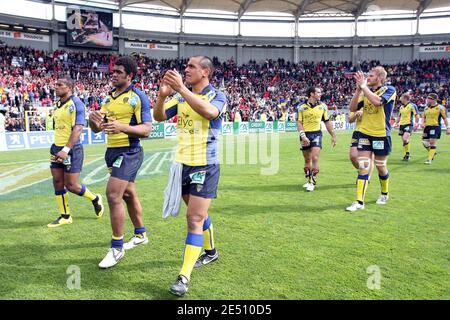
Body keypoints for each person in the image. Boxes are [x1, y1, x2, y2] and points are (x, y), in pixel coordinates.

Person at [153, 55, 226, 297]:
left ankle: (183, 277)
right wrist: (163, 95)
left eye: (191, 66)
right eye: (186, 66)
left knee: (193, 218)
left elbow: (209, 112)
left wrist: (181, 89)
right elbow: (159, 117)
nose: (186, 69)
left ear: (205, 72)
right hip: (182, 165)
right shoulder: (179, 96)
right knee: (199, 214)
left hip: (205, 165)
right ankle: (211, 251)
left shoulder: (216, 95)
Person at [89, 56, 152, 268]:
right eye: (112, 71)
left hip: (130, 151)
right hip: (112, 151)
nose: (113, 74)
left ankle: (117, 248)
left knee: (113, 194)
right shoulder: (108, 98)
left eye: (118, 72)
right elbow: (100, 128)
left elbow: (146, 129)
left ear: (130, 75)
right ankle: (141, 234)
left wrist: (123, 127)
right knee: (128, 193)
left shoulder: (138, 97)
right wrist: (93, 121)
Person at [47, 76, 104, 228]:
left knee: (71, 185)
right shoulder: (58, 105)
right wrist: (58, 148)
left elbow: (78, 128)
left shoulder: (76, 104)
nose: (56, 86)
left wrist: (66, 149)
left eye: (60, 84)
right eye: (56, 84)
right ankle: (65, 216)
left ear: (69, 88)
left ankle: (95, 199)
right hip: (56, 148)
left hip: (71, 150)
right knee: (58, 182)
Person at [346, 67, 396, 212]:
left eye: (371, 76)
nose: (368, 78)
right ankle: (359, 202)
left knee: (381, 166)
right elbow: (352, 107)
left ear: (380, 78)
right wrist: (357, 91)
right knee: (363, 167)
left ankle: (384, 193)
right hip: (365, 134)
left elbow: (377, 102)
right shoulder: (364, 91)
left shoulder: (390, 90)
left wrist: (363, 87)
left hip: (381, 134)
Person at [297, 86, 336, 192]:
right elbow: (299, 123)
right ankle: (308, 179)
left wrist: (333, 135)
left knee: (315, 158)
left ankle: (312, 182)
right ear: (312, 94)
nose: (320, 94)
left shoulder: (323, 106)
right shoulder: (301, 107)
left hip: (317, 134)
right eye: (318, 92)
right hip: (304, 135)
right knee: (307, 159)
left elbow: (327, 121)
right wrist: (303, 136)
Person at [421, 93, 450, 165]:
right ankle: (433, 152)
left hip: (435, 127)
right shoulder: (426, 108)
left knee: (432, 142)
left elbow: (445, 119)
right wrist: (422, 123)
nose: (427, 99)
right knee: (424, 143)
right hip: (427, 127)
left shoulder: (440, 108)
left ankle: (429, 159)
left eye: (429, 98)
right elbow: (423, 117)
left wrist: (448, 128)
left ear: (433, 99)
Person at [348, 108, 374, 178]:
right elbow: (350, 120)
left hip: (370, 132)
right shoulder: (357, 104)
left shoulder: (373, 102)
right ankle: (362, 170)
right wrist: (356, 115)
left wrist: (365, 114)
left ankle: (367, 178)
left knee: (369, 157)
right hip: (357, 132)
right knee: (353, 156)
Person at [393, 93, 419, 161]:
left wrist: (416, 123)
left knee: (405, 139)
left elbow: (416, 115)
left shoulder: (412, 106)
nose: (400, 98)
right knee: (404, 141)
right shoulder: (401, 107)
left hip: (409, 124)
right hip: (402, 125)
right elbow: (399, 116)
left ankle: (407, 155)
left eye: (401, 97)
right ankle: (406, 155)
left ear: (405, 98)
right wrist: (396, 123)